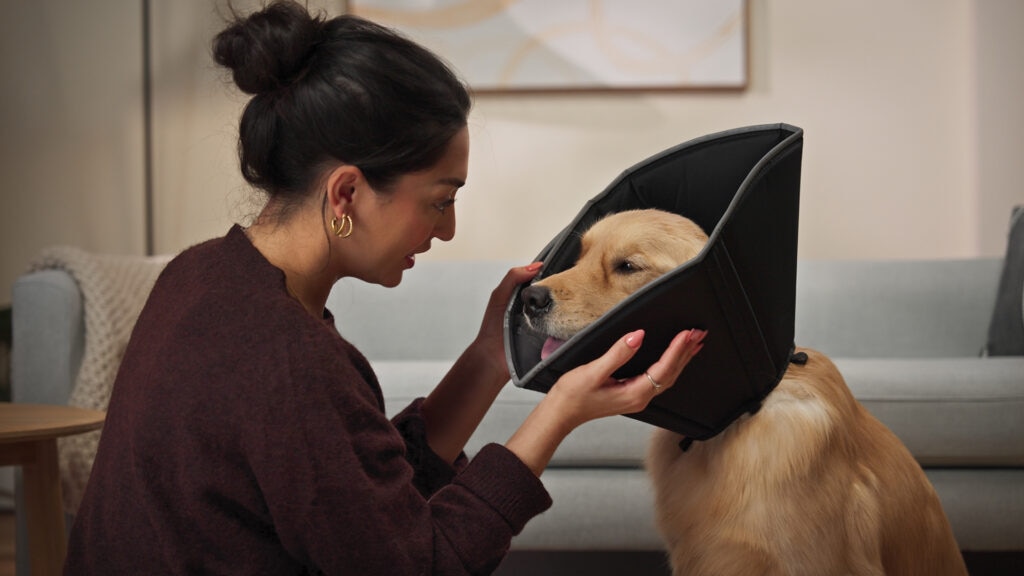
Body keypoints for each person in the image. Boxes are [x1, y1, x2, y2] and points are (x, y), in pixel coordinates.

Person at [64, 2, 706, 574]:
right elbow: (419, 561)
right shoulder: (288, 356)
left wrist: (489, 356)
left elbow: (358, 497)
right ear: (346, 193)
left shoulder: (206, 276)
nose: (448, 230)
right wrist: (560, 411)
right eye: (439, 201)